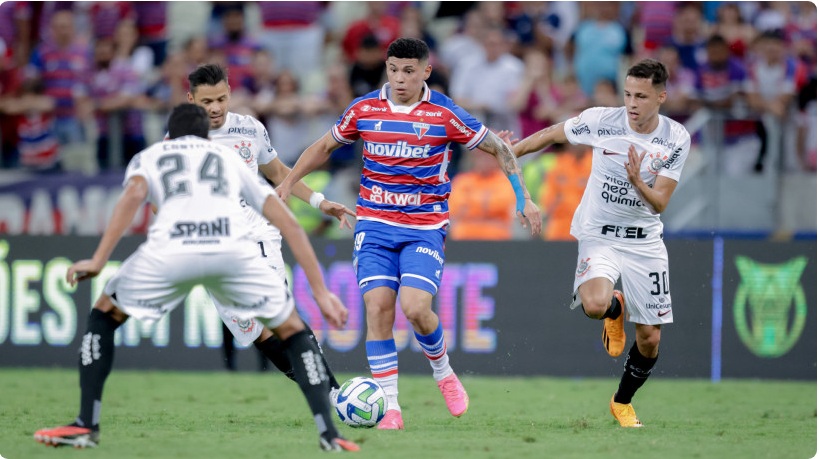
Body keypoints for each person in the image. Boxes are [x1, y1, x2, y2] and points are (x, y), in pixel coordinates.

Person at [33, 103, 359, 452]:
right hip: (231, 250)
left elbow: (131, 199)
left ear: (169, 135)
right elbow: (287, 221)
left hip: (171, 250)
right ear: (206, 134)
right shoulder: (229, 159)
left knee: (103, 315)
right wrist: (321, 292)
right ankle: (328, 432)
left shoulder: (151, 156)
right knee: (292, 330)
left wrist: (99, 259)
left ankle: (86, 423)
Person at [277, 37, 542, 430]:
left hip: (424, 228)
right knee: (378, 310)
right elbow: (323, 147)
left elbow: (501, 150)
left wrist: (525, 198)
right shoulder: (364, 109)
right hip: (374, 226)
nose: (400, 79)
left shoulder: (445, 113)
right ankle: (390, 409)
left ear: (425, 71)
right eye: (394, 70)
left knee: (417, 309)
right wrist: (289, 183)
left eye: (409, 71)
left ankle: (444, 372)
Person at [511, 59, 691, 428]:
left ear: (661, 96)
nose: (632, 103)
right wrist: (512, 151)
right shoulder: (601, 120)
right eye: (627, 94)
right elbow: (553, 134)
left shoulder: (676, 138)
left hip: (645, 243)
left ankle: (621, 402)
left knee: (650, 339)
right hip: (600, 235)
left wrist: (637, 180)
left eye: (641, 96)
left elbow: (660, 203)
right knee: (593, 305)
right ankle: (613, 309)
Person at [183, 63, 356, 388]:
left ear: (230, 93)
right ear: (191, 99)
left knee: (280, 315)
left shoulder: (250, 129)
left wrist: (320, 202)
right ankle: (323, 388)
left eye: (221, 99)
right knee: (258, 332)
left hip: (257, 234)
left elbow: (278, 173)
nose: (216, 108)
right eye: (207, 102)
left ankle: (333, 394)